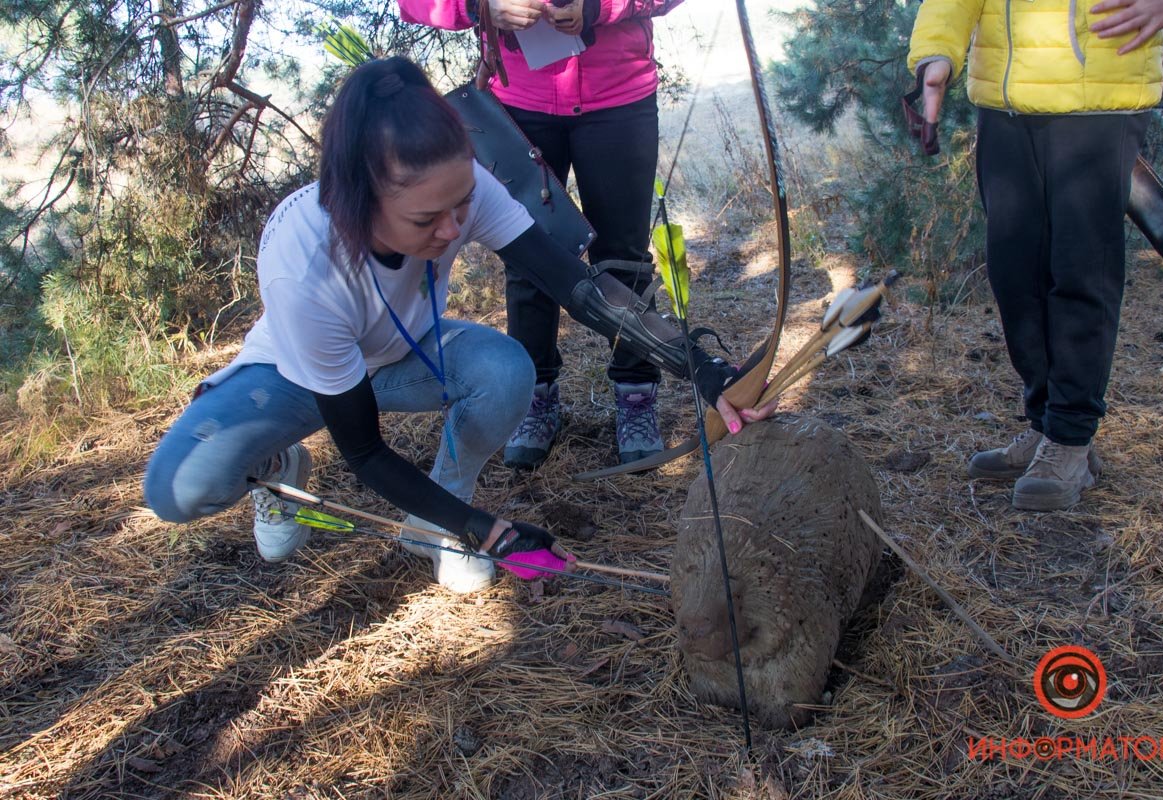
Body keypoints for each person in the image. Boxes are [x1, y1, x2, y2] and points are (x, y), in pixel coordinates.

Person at [143, 56, 771, 594]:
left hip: (409, 354)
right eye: (426, 221)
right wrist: (486, 530)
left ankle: (438, 518)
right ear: (360, 199)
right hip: (295, 377)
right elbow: (362, 452)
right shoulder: (306, 269)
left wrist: (700, 368)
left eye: (462, 204)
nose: (452, 231)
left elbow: (575, 286)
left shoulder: (459, 190)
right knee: (180, 490)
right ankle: (279, 467)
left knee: (505, 373)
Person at [909, 0, 1163, 511]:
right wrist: (936, 56)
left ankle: (1070, 439)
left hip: (1099, 99)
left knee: (1080, 273)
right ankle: (1044, 425)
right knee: (1014, 277)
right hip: (1004, 105)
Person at [398, 0, 684, 469]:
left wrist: (598, 8)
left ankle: (635, 397)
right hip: (518, 103)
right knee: (527, 256)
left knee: (624, 257)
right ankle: (537, 397)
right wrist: (480, 7)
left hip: (619, 99)